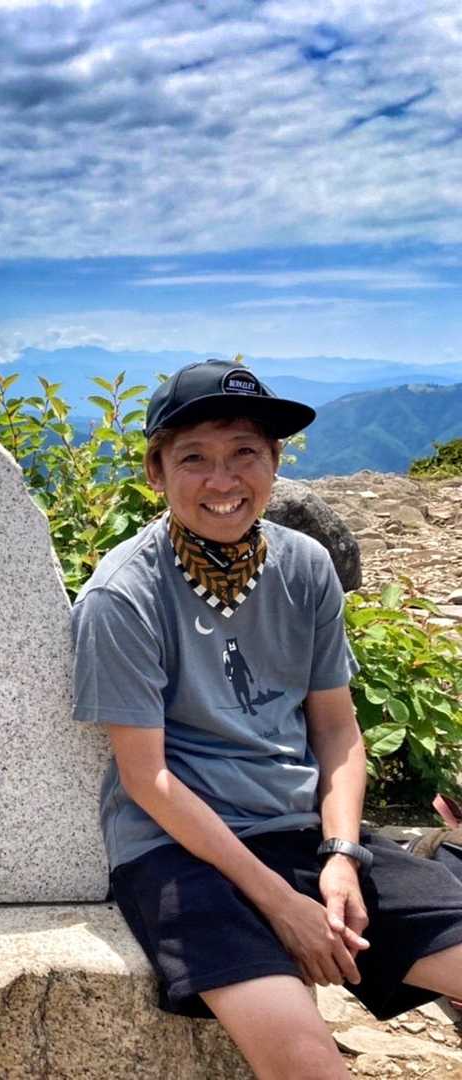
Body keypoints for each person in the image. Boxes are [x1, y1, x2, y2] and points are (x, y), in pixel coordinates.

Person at [72, 359, 462, 1079]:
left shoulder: (305, 566)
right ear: (156, 472)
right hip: (178, 851)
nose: (223, 480)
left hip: (302, 830)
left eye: (244, 453)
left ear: (275, 462)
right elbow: (147, 778)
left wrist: (342, 856)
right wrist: (283, 903)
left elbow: (337, 730)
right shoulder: (122, 596)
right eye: (194, 458)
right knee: (309, 1066)